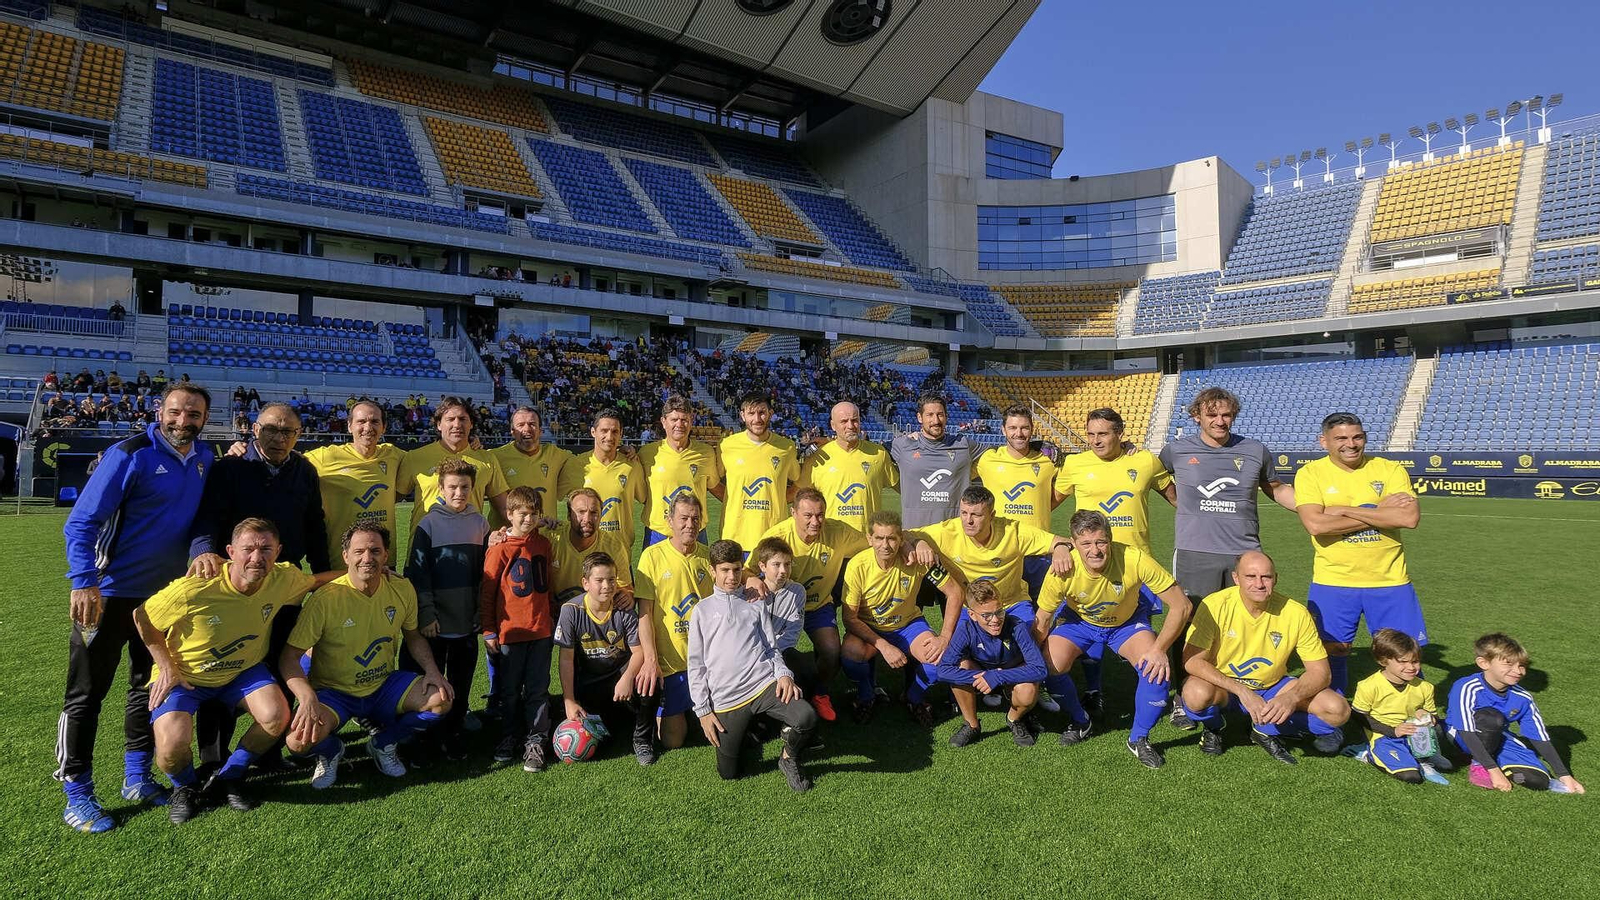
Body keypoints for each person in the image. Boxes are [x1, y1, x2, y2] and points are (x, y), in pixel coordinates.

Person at [57, 382, 213, 834]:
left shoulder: (205, 458)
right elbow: (81, 522)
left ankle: (136, 777)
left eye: (194, 414)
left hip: (163, 600)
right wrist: (84, 581)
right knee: (85, 695)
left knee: (148, 686)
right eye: (176, 412)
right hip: (108, 594)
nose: (183, 421)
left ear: (205, 419)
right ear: (159, 411)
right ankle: (76, 792)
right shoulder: (129, 454)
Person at [133, 519, 336, 823]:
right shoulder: (197, 585)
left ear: (278, 551)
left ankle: (231, 774)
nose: (257, 557)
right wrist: (166, 667)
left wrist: (367, 571)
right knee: (171, 747)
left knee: (277, 716)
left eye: (266, 549)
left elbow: (316, 580)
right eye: (248, 549)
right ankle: (186, 787)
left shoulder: (282, 578)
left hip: (242, 671)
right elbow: (142, 617)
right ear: (230, 552)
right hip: (187, 676)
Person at [1159, 388, 1296, 730]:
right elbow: (1155, 479)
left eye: (1226, 415)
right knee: (1190, 623)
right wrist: (1181, 503)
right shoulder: (1176, 450)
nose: (1220, 421)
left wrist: (1314, 509)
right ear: (1197, 417)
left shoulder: (1254, 450)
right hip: (1195, 553)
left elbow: (1276, 488)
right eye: (1212, 415)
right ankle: (1184, 696)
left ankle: (1243, 687)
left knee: (1246, 623)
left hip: (1244, 554)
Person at [281, 524, 454, 788]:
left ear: (386, 555)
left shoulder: (401, 588)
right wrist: (306, 697)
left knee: (441, 699)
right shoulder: (325, 599)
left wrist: (432, 671)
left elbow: (414, 636)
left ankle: (383, 744)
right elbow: (289, 657)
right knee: (297, 741)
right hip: (335, 692)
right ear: (345, 556)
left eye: (375, 551)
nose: (367, 558)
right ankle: (332, 751)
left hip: (382, 685)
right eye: (359, 551)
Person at [1035, 510, 1192, 768]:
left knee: (1156, 673)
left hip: (1126, 624)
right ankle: (1081, 721)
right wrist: (1030, 659)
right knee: (1048, 666)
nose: (1094, 550)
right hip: (1079, 622)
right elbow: (1042, 619)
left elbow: (1182, 605)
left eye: (1101, 542)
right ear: (1073, 544)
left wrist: (1159, 649)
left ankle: (1138, 738)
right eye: (1086, 543)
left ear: (1110, 539)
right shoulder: (1061, 569)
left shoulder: (1134, 558)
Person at [1178, 551, 1351, 765]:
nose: (1259, 584)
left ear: (1275, 578)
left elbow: (1321, 673)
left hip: (1272, 687)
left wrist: (1291, 697)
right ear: (1236, 578)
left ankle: (1264, 728)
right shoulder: (1214, 605)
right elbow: (1192, 661)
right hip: (1225, 688)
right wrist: (1242, 691)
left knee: (1337, 710)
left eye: (1266, 577)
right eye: (1251, 576)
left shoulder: (1296, 613)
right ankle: (1215, 726)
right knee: (1195, 694)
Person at [1054, 408, 1175, 710]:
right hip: (1090, 563)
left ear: (1120, 433)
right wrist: (1057, 544)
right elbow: (1044, 504)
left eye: (1103, 434)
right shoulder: (1075, 463)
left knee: (1137, 629)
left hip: (1136, 566)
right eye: (1091, 434)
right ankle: (1094, 689)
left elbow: (1177, 499)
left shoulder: (1144, 460)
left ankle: (1145, 692)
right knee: (1088, 626)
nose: (1095, 440)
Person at [1294, 412, 1423, 695]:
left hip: (1390, 580)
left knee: (1403, 653)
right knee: (1333, 649)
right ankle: (1334, 710)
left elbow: (1409, 518)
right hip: (1333, 580)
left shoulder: (1389, 469)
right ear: (1324, 442)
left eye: (1357, 437)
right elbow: (1316, 525)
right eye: (1341, 438)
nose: (1351, 444)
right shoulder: (1311, 473)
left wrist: (1342, 511)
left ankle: (1407, 711)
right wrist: (1379, 512)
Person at [687, 540, 817, 792]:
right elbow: (696, 665)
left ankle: (788, 758)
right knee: (729, 773)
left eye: (737, 569)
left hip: (762, 686)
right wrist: (703, 711)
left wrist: (783, 674)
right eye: (725, 570)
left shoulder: (755, 602)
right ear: (712, 571)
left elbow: (771, 647)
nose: (732, 577)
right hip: (726, 698)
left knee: (806, 717)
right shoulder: (701, 611)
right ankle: (746, 732)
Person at [748, 488, 868, 722]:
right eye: (808, 515)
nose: (816, 521)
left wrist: (909, 543)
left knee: (831, 651)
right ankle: (766, 697)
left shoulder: (838, 531)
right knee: (767, 650)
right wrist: (751, 578)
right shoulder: (778, 536)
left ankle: (820, 693)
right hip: (783, 606)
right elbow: (749, 568)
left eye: (820, 515)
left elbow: (873, 543)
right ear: (793, 513)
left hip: (818, 604)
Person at [840, 511, 967, 726]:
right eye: (879, 538)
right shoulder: (857, 565)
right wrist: (884, 646)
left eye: (891, 538)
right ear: (869, 539)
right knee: (851, 653)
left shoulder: (916, 559)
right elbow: (849, 618)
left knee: (942, 658)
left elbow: (955, 593)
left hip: (908, 625)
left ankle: (913, 697)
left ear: (901, 539)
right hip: (871, 627)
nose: (885, 545)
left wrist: (945, 637)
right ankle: (866, 696)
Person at [405, 459, 491, 760]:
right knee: (430, 684)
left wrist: (481, 612)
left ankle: (453, 735)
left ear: (472, 488)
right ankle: (425, 738)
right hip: (436, 624)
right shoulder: (428, 524)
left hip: (466, 622)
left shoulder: (480, 524)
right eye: (452, 487)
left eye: (465, 487)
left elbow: (486, 575)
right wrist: (427, 614)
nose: (459, 493)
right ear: (441, 488)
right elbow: (418, 574)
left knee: (461, 684)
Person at [1445, 633, 1584, 794]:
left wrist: (1563, 774)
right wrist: (1492, 770)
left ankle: (1493, 760)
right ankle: (1479, 765)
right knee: (1492, 718)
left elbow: (1539, 736)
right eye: (1508, 664)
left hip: (1497, 738)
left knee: (1538, 781)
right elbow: (1465, 730)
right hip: (1460, 736)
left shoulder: (1523, 697)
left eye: (1522, 665)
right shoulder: (1467, 687)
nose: (1518, 671)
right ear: (1484, 663)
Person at [479, 486, 556, 771]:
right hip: (510, 632)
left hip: (540, 631)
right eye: (523, 513)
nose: (528, 519)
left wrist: (551, 616)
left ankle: (536, 740)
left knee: (538, 689)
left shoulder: (543, 544)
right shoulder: (499, 548)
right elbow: (488, 594)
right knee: (509, 691)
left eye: (534, 514)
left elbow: (548, 587)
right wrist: (489, 630)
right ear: (509, 514)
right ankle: (509, 736)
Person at [555, 552, 658, 766]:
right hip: (589, 683)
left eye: (611, 580)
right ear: (585, 583)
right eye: (599, 580)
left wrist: (627, 678)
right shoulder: (570, 611)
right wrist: (569, 700)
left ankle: (642, 740)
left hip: (619, 676)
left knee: (650, 681)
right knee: (604, 734)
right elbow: (565, 660)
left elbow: (638, 652)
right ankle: (612, 719)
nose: (607, 586)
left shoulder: (624, 611)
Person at [634, 493, 713, 753]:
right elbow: (644, 613)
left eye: (695, 519)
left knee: (718, 731)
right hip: (671, 664)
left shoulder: (708, 558)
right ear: (669, 521)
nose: (690, 524)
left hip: (705, 662)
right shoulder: (651, 557)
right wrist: (650, 659)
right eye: (683, 518)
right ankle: (665, 709)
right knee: (673, 741)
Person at [936, 580, 1047, 748]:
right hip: (981, 672)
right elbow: (943, 670)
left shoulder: (1017, 625)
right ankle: (971, 725)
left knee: (1028, 691)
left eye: (999, 612)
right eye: (986, 615)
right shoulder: (966, 629)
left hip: (1011, 673)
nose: (995, 620)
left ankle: (1014, 719)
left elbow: (1040, 669)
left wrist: (998, 676)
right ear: (972, 615)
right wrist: (983, 677)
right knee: (961, 667)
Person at [304, 400, 408, 569]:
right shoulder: (326, 457)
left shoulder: (394, 455)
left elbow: (423, 464)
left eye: (375, 421)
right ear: (349, 426)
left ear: (384, 427)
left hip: (383, 563)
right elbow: (288, 460)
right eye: (361, 421)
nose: (368, 427)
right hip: (340, 563)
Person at [1351, 628, 1451, 786]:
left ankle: (1425, 758)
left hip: (1414, 734)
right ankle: (1369, 753)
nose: (1411, 667)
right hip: (1383, 735)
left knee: (1438, 727)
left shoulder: (1425, 687)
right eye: (1403, 662)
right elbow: (1358, 716)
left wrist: (1428, 716)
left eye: (1415, 661)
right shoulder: (1369, 686)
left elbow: (1434, 717)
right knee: (1411, 776)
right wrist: (1393, 731)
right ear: (1383, 660)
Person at [398, 397, 510, 525]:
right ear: (439, 424)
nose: (457, 425)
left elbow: (503, 508)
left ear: (471, 424)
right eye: (450, 419)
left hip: (470, 536)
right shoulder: (415, 457)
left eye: (462, 419)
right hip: (426, 537)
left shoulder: (487, 460)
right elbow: (390, 499)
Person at [799, 400, 897, 533]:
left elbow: (903, 487)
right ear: (833, 425)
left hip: (868, 539)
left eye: (854, 420)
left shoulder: (879, 453)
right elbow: (799, 495)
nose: (850, 426)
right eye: (844, 421)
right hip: (832, 538)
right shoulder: (817, 457)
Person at [640, 395, 724, 546]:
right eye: (674, 419)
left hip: (695, 531)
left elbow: (714, 486)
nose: (679, 424)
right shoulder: (647, 453)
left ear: (691, 421)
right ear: (663, 422)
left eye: (684, 419)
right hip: (658, 533)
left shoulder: (706, 453)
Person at [719, 393, 799, 550]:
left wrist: (779, 500)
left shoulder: (787, 447)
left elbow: (799, 482)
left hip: (774, 537)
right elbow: (713, 482)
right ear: (742, 415)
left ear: (770, 413)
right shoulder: (726, 446)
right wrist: (733, 500)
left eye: (762, 412)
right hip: (735, 536)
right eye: (751, 413)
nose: (757, 419)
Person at [889, 394, 980, 530]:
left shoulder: (964, 445)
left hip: (953, 534)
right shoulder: (902, 445)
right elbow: (874, 454)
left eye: (940, 415)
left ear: (946, 417)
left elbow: (999, 455)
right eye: (930, 415)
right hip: (915, 535)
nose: (936, 420)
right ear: (919, 417)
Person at [568, 408, 647, 551]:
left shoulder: (632, 465)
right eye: (604, 431)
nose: (609, 437)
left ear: (621, 434)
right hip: (585, 550)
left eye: (615, 431)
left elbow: (644, 498)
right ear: (593, 432)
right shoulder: (575, 465)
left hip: (620, 550)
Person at [490, 406, 574, 530]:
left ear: (540, 430)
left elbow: (586, 460)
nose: (527, 429)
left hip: (546, 534)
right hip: (508, 536)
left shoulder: (556, 454)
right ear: (512, 431)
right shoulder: (494, 457)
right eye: (520, 425)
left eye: (532, 424)